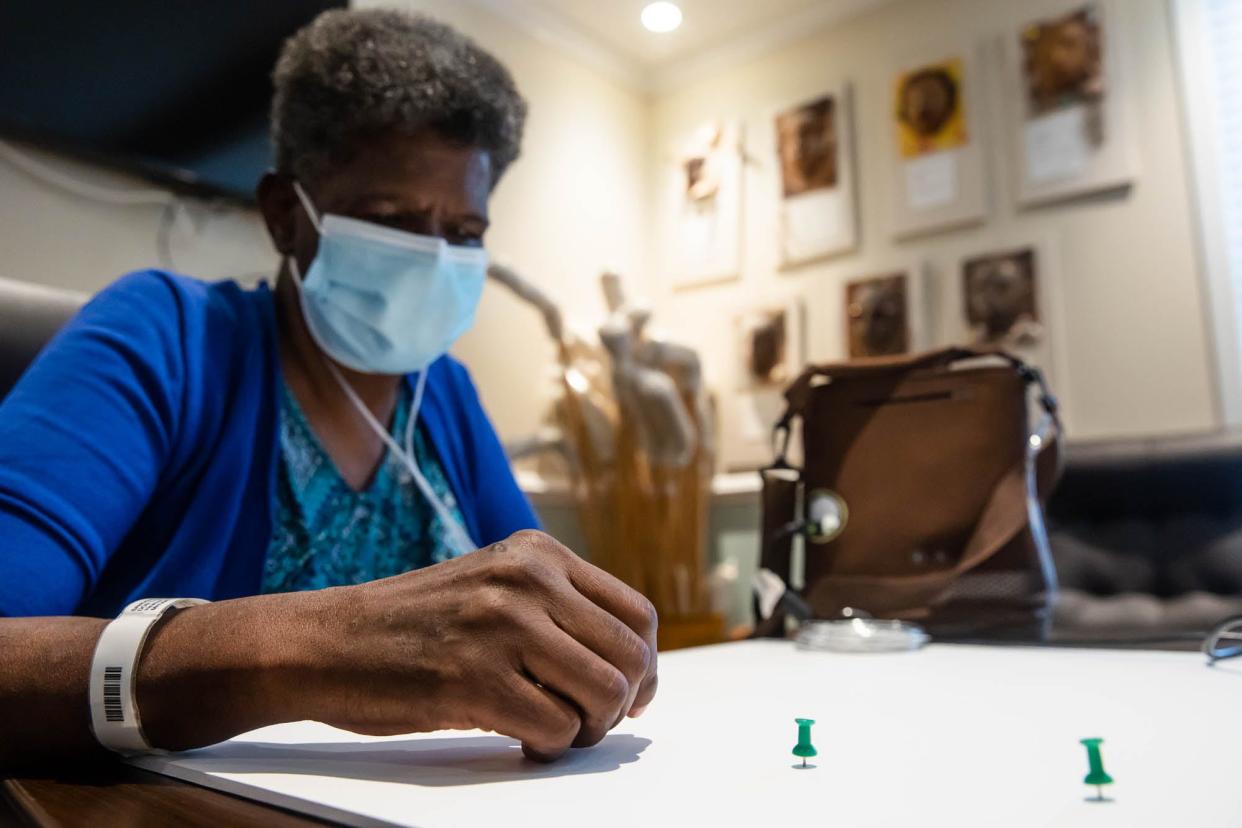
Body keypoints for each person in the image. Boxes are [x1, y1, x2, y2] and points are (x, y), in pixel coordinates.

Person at [0, 9, 657, 771]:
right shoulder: (167, 337)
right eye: (392, 220)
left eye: (464, 233)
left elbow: (540, 620)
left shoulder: (440, 395)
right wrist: (315, 650)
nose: (432, 258)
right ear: (286, 214)